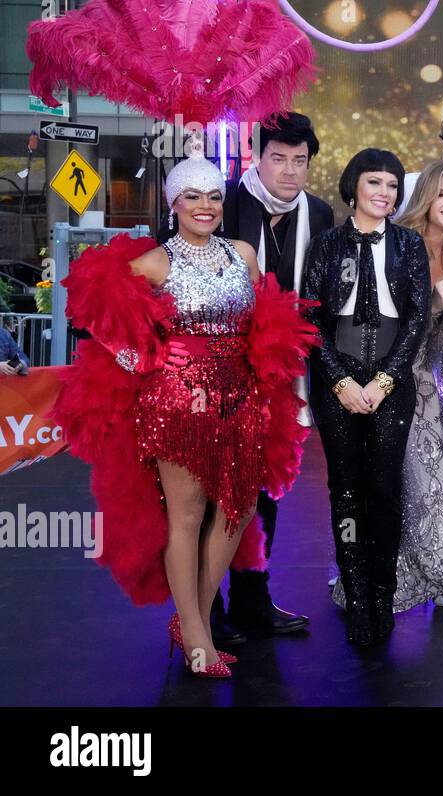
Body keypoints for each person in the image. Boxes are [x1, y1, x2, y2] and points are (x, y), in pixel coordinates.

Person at [53, 156, 317, 677]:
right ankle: (197, 636)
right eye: (192, 196)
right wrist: (144, 356)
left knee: (239, 510)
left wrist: (268, 381)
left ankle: (192, 616)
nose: (205, 206)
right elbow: (89, 308)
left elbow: (264, 321)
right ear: (174, 204)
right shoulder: (155, 263)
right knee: (188, 516)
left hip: (239, 397)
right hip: (176, 402)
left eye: (213, 196)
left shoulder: (243, 255)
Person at [211, 111, 333, 643]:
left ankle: (253, 599)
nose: (288, 170)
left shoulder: (321, 214)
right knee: (212, 490)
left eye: (299, 160)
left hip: (285, 377)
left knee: (267, 491)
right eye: (278, 158)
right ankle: (206, 606)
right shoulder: (221, 204)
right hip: (218, 371)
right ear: (256, 157)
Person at [303, 149, 431, 646]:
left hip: (390, 383)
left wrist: (384, 381)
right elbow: (311, 319)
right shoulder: (327, 244)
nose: (385, 193)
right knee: (346, 493)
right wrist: (339, 382)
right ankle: (356, 596)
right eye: (375, 182)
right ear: (354, 186)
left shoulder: (409, 244)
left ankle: (384, 593)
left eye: (393, 186)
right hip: (337, 383)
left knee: (385, 491)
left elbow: (417, 318)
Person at [353, 160, 443, 613]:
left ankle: (442, 564)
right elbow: (386, 330)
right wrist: (433, 302)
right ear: (426, 198)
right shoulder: (400, 245)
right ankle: (431, 571)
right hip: (403, 380)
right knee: (422, 480)